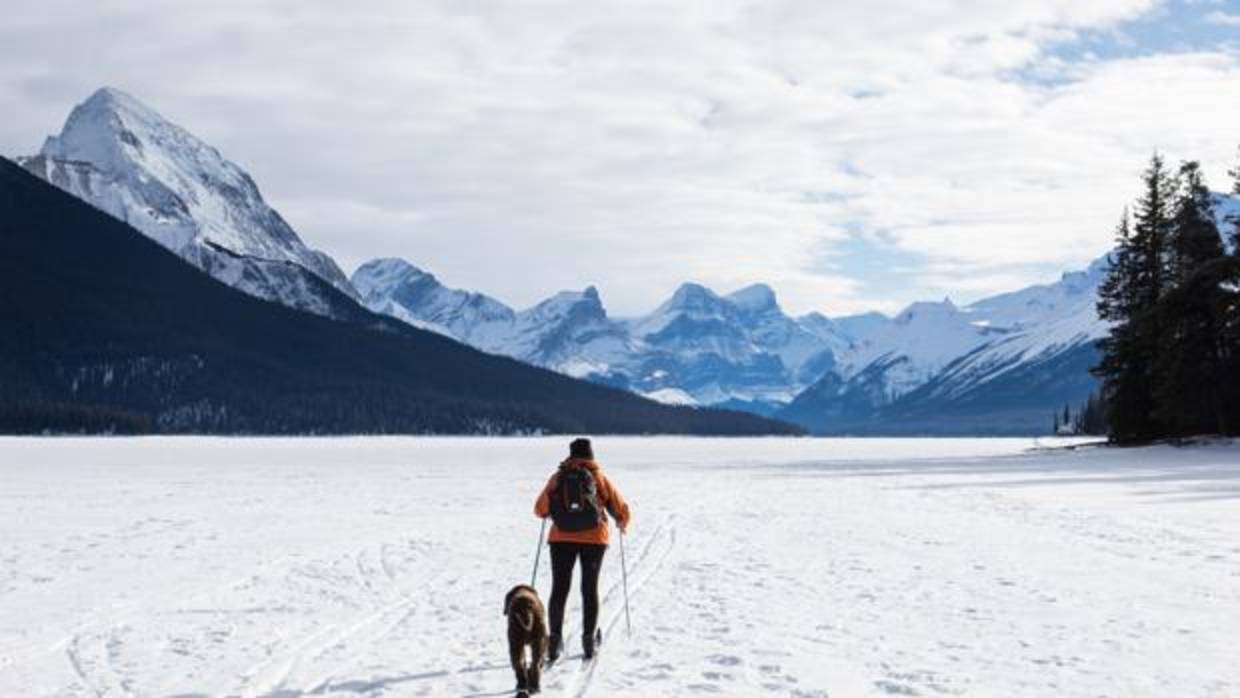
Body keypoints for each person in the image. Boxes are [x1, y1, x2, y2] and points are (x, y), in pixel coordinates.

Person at [534, 437, 631, 662]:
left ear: (570, 455)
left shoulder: (559, 477)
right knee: (589, 589)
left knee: (559, 588)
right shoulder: (599, 477)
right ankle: (589, 642)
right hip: (595, 540)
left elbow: (539, 509)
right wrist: (621, 523)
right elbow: (621, 508)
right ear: (591, 455)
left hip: (561, 540)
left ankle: (554, 642)